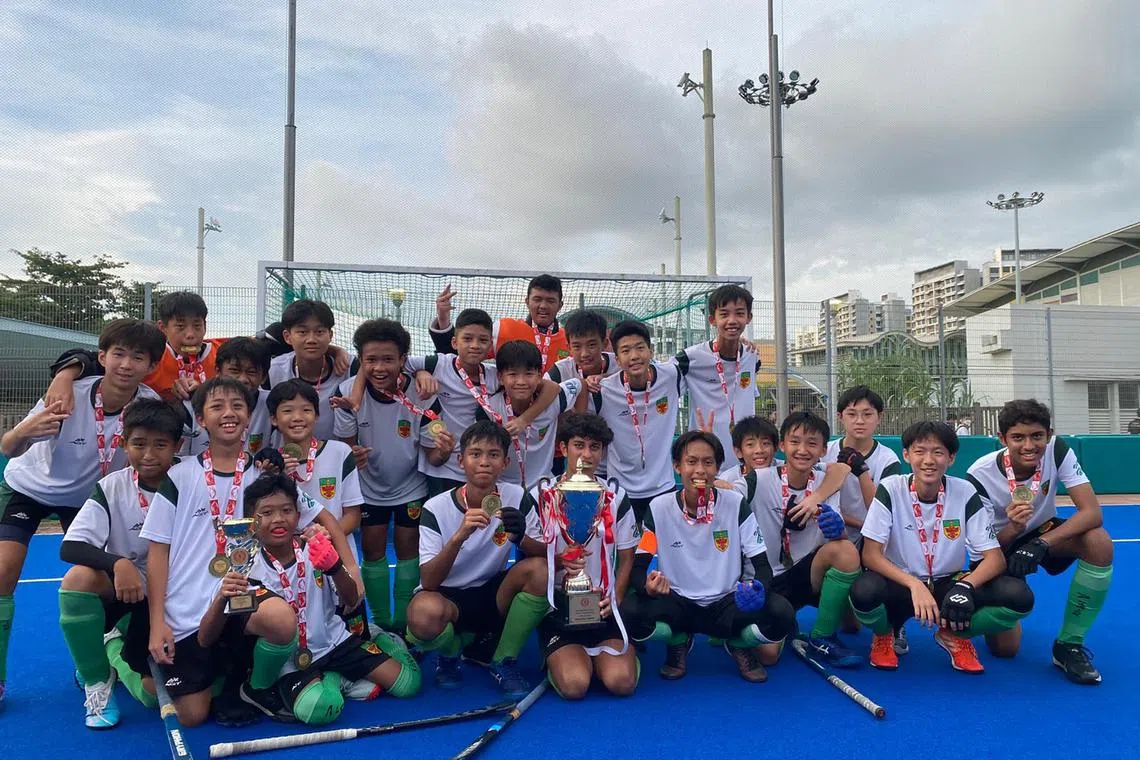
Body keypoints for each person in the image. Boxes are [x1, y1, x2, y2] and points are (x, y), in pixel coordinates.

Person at [0, 318, 165, 707]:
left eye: (137, 357)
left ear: (151, 366)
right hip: (30, 488)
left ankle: (100, 657)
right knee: (4, 569)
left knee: (106, 581)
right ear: (102, 357)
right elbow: (9, 447)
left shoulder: (149, 407)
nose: (126, 364)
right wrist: (25, 431)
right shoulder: (68, 393)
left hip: (89, 499)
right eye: (118, 354)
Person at [142, 377, 300, 726]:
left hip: (240, 594)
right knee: (192, 717)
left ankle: (247, 688)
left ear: (248, 416)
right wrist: (156, 623)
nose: (228, 414)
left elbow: (302, 518)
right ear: (201, 419)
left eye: (237, 406)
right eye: (217, 407)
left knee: (281, 620)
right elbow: (157, 551)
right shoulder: (179, 475)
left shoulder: (263, 476)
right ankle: (122, 656)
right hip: (188, 608)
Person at [851, 421, 1034, 673]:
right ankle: (884, 634)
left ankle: (955, 635)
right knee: (863, 591)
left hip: (949, 583)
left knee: (1019, 597)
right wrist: (914, 584)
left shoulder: (965, 490)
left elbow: (995, 559)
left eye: (938, 452)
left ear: (951, 458)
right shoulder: (890, 488)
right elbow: (870, 555)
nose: (929, 460)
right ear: (906, 455)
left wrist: (965, 587)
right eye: (920, 451)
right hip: (902, 585)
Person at [242, 474, 420, 722]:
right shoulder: (247, 564)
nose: (279, 519)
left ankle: (381, 638)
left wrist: (335, 565)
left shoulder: (315, 547)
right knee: (320, 709)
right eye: (267, 513)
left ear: (298, 515)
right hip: (290, 659)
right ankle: (336, 677)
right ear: (253, 521)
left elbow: (351, 600)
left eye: (286, 510)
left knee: (408, 685)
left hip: (336, 641)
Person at [621, 431, 797, 682]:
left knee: (782, 614)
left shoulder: (735, 504)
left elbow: (761, 566)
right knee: (630, 611)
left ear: (717, 468)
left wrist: (757, 588)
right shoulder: (659, 508)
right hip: (677, 601)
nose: (700, 470)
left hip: (727, 603)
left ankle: (738, 642)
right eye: (691, 462)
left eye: (708, 462)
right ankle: (678, 640)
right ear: (677, 467)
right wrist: (647, 587)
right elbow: (638, 569)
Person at [966, 399, 1113, 684]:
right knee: (1005, 650)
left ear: (1049, 434)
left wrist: (1041, 544)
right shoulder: (979, 474)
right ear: (1002, 439)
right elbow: (984, 545)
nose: (1029, 446)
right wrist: (1013, 527)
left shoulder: (1057, 450)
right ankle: (970, 615)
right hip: (998, 547)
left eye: (1037, 436)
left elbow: (1092, 513)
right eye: (1018, 437)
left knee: (1099, 542)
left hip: (1043, 533)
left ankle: (1068, 645)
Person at [57, 398, 183, 728]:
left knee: (156, 693)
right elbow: (70, 546)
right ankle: (97, 680)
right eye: (139, 444)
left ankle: (112, 647)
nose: (149, 455)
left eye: (160, 445)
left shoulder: (195, 480)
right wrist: (117, 563)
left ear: (177, 445)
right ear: (124, 443)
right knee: (77, 580)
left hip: (180, 595)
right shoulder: (112, 487)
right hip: (130, 590)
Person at [404, 421, 548, 698]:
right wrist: (458, 537)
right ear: (461, 461)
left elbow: (545, 554)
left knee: (540, 571)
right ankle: (451, 653)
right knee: (421, 616)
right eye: (476, 454)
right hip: (447, 595)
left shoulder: (517, 496)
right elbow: (429, 580)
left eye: (493, 455)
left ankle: (504, 660)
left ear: (505, 462)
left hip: (493, 592)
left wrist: (521, 539)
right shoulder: (436, 507)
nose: (484, 462)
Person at [334, 319, 453, 634]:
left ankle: (404, 624)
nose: (379, 367)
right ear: (361, 360)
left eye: (388, 359)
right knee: (372, 550)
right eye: (371, 360)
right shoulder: (347, 394)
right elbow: (346, 448)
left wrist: (445, 449)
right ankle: (382, 625)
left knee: (407, 550)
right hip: (368, 490)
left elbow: (433, 456)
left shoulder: (422, 393)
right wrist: (352, 454)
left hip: (411, 487)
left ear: (404, 360)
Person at [527, 412, 639, 699]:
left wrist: (615, 599)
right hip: (558, 607)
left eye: (595, 447)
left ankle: (606, 658)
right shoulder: (541, 494)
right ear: (564, 448)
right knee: (575, 686)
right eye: (579, 445)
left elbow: (627, 556)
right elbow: (531, 556)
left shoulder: (615, 495)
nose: (586, 455)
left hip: (601, 604)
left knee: (622, 683)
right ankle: (566, 657)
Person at [740, 412, 863, 668]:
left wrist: (836, 527)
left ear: (822, 449)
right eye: (795, 442)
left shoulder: (825, 481)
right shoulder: (759, 479)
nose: (802, 450)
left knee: (846, 552)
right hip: (766, 578)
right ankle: (744, 633)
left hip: (806, 574)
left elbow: (840, 470)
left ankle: (821, 637)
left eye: (812, 443)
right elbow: (729, 492)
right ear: (782, 445)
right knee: (769, 656)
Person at [408, 309, 553, 496]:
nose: (475, 346)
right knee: (447, 518)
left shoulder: (495, 377)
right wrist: (420, 372)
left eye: (483, 340)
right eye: (467, 339)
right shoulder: (438, 364)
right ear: (454, 342)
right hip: (444, 465)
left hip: (479, 467)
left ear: (490, 345)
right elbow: (400, 364)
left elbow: (551, 388)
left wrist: (524, 420)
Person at [267, 380, 367, 638]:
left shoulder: (339, 452)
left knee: (354, 631)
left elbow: (353, 516)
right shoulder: (269, 466)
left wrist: (324, 537)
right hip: (292, 563)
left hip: (339, 555)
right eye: (287, 411)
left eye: (306, 410)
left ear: (317, 415)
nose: (297, 418)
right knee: (305, 632)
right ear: (274, 419)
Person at [46, 292, 225, 406]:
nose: (190, 335)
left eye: (197, 326)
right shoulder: (148, 356)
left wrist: (206, 390)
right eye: (180, 327)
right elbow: (95, 359)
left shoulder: (224, 352)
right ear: (163, 328)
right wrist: (64, 376)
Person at [595, 320, 686, 524]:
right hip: (619, 492)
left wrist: (743, 346)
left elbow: (710, 362)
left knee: (663, 551)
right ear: (617, 359)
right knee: (623, 553)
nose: (635, 356)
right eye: (626, 351)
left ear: (651, 351)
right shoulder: (604, 390)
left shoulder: (672, 376)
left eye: (640, 348)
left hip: (663, 489)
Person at [675, 285, 760, 475]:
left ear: (748, 318)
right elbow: (651, 372)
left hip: (745, 462)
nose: (732, 320)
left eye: (739, 313)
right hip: (706, 459)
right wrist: (604, 368)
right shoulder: (690, 358)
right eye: (724, 314)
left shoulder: (752, 357)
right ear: (712, 319)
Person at [478, 340, 581, 489]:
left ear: (540, 375)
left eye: (528, 374)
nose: (521, 381)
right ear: (500, 377)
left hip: (544, 486)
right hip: (502, 488)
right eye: (512, 374)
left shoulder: (554, 401)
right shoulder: (489, 409)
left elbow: (580, 385)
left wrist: (575, 427)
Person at [429, 274, 570, 373]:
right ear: (527, 301)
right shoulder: (504, 328)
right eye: (537, 299)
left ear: (560, 305)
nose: (543, 306)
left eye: (550, 301)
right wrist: (443, 318)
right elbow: (458, 355)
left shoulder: (569, 339)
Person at [267, 299, 356, 441]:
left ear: (330, 335)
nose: (311, 339)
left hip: (334, 459)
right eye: (302, 332)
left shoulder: (350, 368)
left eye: (319, 331)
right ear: (287, 337)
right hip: (287, 458)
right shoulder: (273, 371)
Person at [180, 337, 275, 457]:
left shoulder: (272, 405)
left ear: (264, 377)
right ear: (218, 371)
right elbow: (179, 457)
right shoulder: (192, 404)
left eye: (251, 372)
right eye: (234, 371)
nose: (242, 379)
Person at [545, 309, 618, 387]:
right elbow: (539, 388)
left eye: (591, 345)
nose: (585, 354)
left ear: (605, 343)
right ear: (569, 348)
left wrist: (605, 379)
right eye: (577, 346)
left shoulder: (619, 364)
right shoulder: (561, 370)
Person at [718, 415, 780, 492]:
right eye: (750, 444)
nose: (759, 450)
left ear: (776, 447)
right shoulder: (728, 479)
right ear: (738, 452)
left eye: (765, 443)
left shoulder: (785, 472)